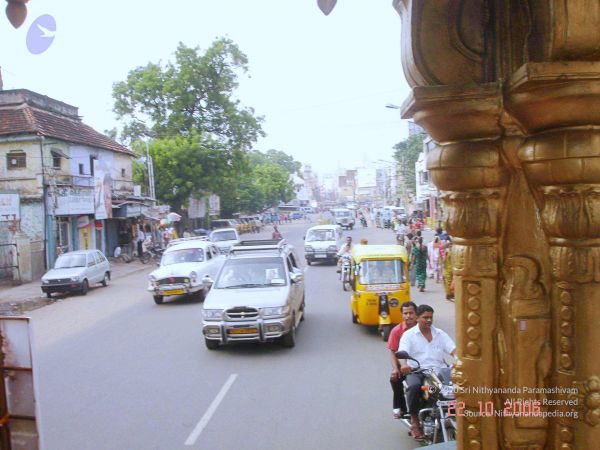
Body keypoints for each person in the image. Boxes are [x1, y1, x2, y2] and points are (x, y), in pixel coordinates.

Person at [398, 305, 456, 441]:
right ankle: (415, 422)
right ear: (417, 318)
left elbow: (454, 350)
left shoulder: (440, 334)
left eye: (430, 317)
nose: (428, 320)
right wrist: (404, 365)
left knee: (455, 389)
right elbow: (402, 354)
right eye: (425, 317)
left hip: (439, 371)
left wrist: (460, 361)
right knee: (413, 387)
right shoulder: (409, 335)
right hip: (417, 371)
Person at [388, 301, 418, 419]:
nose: (408, 316)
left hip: (424, 364)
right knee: (395, 378)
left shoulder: (424, 328)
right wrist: (396, 369)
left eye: (411, 313)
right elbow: (393, 352)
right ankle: (400, 407)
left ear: (416, 314)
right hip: (405, 365)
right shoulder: (396, 331)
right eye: (405, 313)